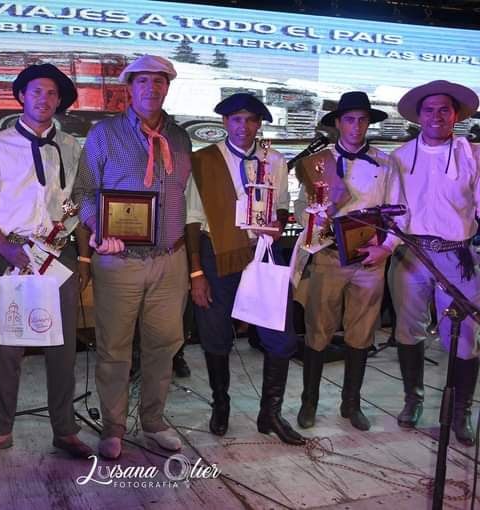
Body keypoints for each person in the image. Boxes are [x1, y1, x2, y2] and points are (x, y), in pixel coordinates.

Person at [0, 63, 93, 460]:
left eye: (52, 94)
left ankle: (65, 429)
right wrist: (5, 249)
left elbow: (80, 203)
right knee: (8, 346)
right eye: (36, 92)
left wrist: (83, 254)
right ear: (21, 96)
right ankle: (0, 430)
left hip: (60, 253)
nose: (44, 99)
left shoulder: (72, 146)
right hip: (12, 251)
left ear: (59, 101)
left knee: (62, 345)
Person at [72, 55, 191, 460]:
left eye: (159, 83)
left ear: (167, 88)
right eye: (142, 83)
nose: (151, 90)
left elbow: (184, 195)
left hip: (169, 260)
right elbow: (84, 192)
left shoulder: (180, 138)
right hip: (118, 261)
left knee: (163, 345)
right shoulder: (104, 134)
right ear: (129, 88)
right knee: (114, 348)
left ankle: (154, 421)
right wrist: (100, 231)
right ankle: (113, 427)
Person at [186, 93, 304, 444]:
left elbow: (281, 206)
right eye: (236, 119)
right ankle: (220, 405)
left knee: (280, 337)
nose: (243, 126)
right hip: (216, 253)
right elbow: (192, 220)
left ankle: (270, 413)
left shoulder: (276, 161)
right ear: (225, 123)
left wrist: (279, 223)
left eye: (251, 120)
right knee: (215, 334)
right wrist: (196, 273)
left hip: (262, 251)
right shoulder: (204, 161)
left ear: (259, 125)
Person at [386, 80, 480, 446]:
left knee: (466, 338)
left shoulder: (473, 154)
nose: (437, 116)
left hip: (458, 257)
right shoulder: (400, 156)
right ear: (419, 116)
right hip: (411, 255)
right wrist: (386, 247)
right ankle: (414, 399)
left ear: (455, 115)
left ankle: (461, 412)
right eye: (430, 110)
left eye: (444, 109)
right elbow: (393, 211)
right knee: (408, 331)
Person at [293, 91, 393, 431]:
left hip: (370, 260)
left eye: (363, 119)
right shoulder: (317, 162)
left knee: (361, 333)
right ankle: (310, 403)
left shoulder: (384, 162)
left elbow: (398, 213)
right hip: (329, 256)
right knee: (317, 331)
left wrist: (387, 247)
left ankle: (351, 405)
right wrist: (313, 218)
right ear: (338, 124)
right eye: (349, 119)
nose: (356, 126)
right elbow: (298, 209)